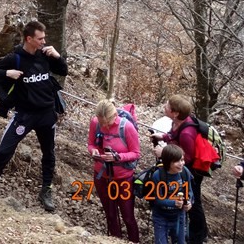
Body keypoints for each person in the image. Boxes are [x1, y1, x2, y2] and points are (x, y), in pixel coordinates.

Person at [0, 20, 68, 212]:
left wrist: (58, 56)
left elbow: (63, 70)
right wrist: (7, 73)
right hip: (24, 114)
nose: (44, 42)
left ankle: (46, 189)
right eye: (40, 38)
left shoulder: (46, 55)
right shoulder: (16, 58)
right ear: (29, 39)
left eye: (44, 38)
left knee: (49, 153)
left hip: (46, 113)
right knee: (4, 150)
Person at [152, 95, 207, 244]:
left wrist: (164, 153)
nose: (165, 106)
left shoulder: (187, 133)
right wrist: (163, 136)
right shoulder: (177, 123)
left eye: (167, 105)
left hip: (189, 172)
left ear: (175, 113)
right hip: (179, 169)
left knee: (193, 203)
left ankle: (198, 237)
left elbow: (187, 157)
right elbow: (173, 135)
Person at [88, 100, 140, 242]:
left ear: (115, 115)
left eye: (108, 122)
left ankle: (134, 240)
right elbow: (91, 143)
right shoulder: (95, 123)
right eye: (101, 122)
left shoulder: (127, 127)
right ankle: (115, 240)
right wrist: (93, 152)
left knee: (128, 216)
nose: (104, 126)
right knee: (110, 214)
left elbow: (136, 153)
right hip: (101, 175)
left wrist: (117, 157)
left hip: (123, 178)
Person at [150, 144, 194, 244]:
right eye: (176, 161)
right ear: (167, 162)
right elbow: (157, 199)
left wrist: (190, 202)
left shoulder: (185, 172)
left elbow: (190, 191)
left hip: (179, 216)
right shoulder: (158, 175)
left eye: (182, 160)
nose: (181, 164)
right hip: (161, 217)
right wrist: (174, 203)